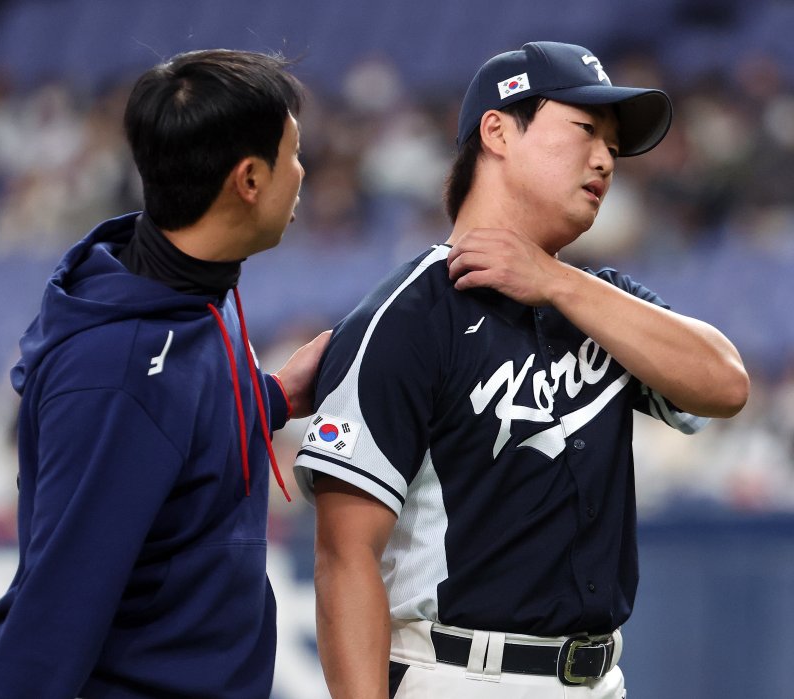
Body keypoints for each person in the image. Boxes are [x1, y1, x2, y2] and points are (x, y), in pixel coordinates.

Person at [293, 41, 749, 699]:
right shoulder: (410, 314)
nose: (604, 159)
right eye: (586, 129)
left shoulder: (596, 301)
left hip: (601, 679)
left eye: (614, 146)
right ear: (498, 130)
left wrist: (558, 283)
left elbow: (725, 384)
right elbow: (344, 556)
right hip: (461, 674)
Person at [0, 49, 329, 698]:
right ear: (249, 179)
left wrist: (274, 398)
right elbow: (54, 614)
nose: (303, 171)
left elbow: (175, 439)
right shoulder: (119, 372)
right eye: (292, 153)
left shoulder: (187, 289)